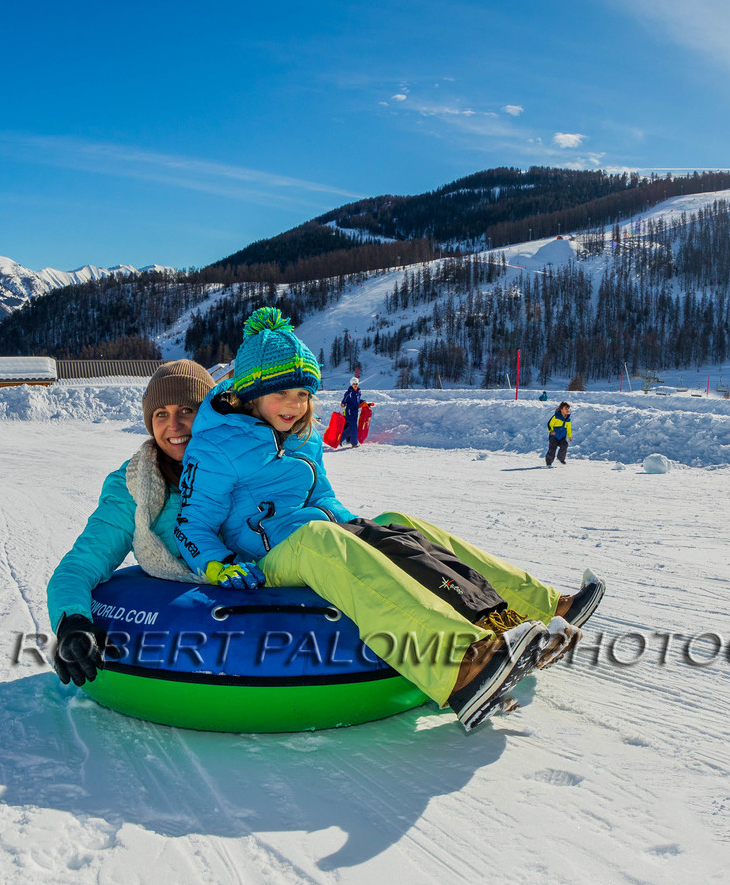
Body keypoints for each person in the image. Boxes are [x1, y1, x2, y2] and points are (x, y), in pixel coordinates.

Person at [173, 307, 603, 732]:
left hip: (319, 535)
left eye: (303, 395)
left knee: (398, 523)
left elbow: (322, 496)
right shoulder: (216, 447)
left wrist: (368, 534)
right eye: (281, 394)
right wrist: (217, 564)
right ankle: (460, 667)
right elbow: (190, 524)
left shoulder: (303, 436)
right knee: (319, 537)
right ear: (250, 394)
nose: (294, 405)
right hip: (264, 561)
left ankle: (542, 607)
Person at [46, 360, 217, 685]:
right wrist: (71, 622)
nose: (174, 425)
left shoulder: (249, 468)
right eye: (161, 414)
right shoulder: (133, 486)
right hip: (174, 631)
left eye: (186, 410)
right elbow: (79, 566)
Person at [546, 401, 572, 467]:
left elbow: (568, 428)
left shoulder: (568, 419)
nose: (567, 410)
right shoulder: (556, 417)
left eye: (568, 408)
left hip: (562, 437)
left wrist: (569, 436)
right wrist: (551, 431)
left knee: (565, 445)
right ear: (561, 409)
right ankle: (549, 461)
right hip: (554, 436)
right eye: (566, 408)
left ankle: (561, 458)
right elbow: (549, 424)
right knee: (552, 449)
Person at [340, 377, 363, 447]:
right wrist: (343, 403)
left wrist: (364, 402)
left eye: (356, 383)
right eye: (354, 384)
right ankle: (354, 443)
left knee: (351, 428)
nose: (355, 385)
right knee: (354, 427)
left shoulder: (359, 392)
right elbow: (344, 400)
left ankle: (339, 439)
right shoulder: (348, 393)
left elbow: (358, 400)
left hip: (355, 412)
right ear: (351, 384)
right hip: (349, 412)